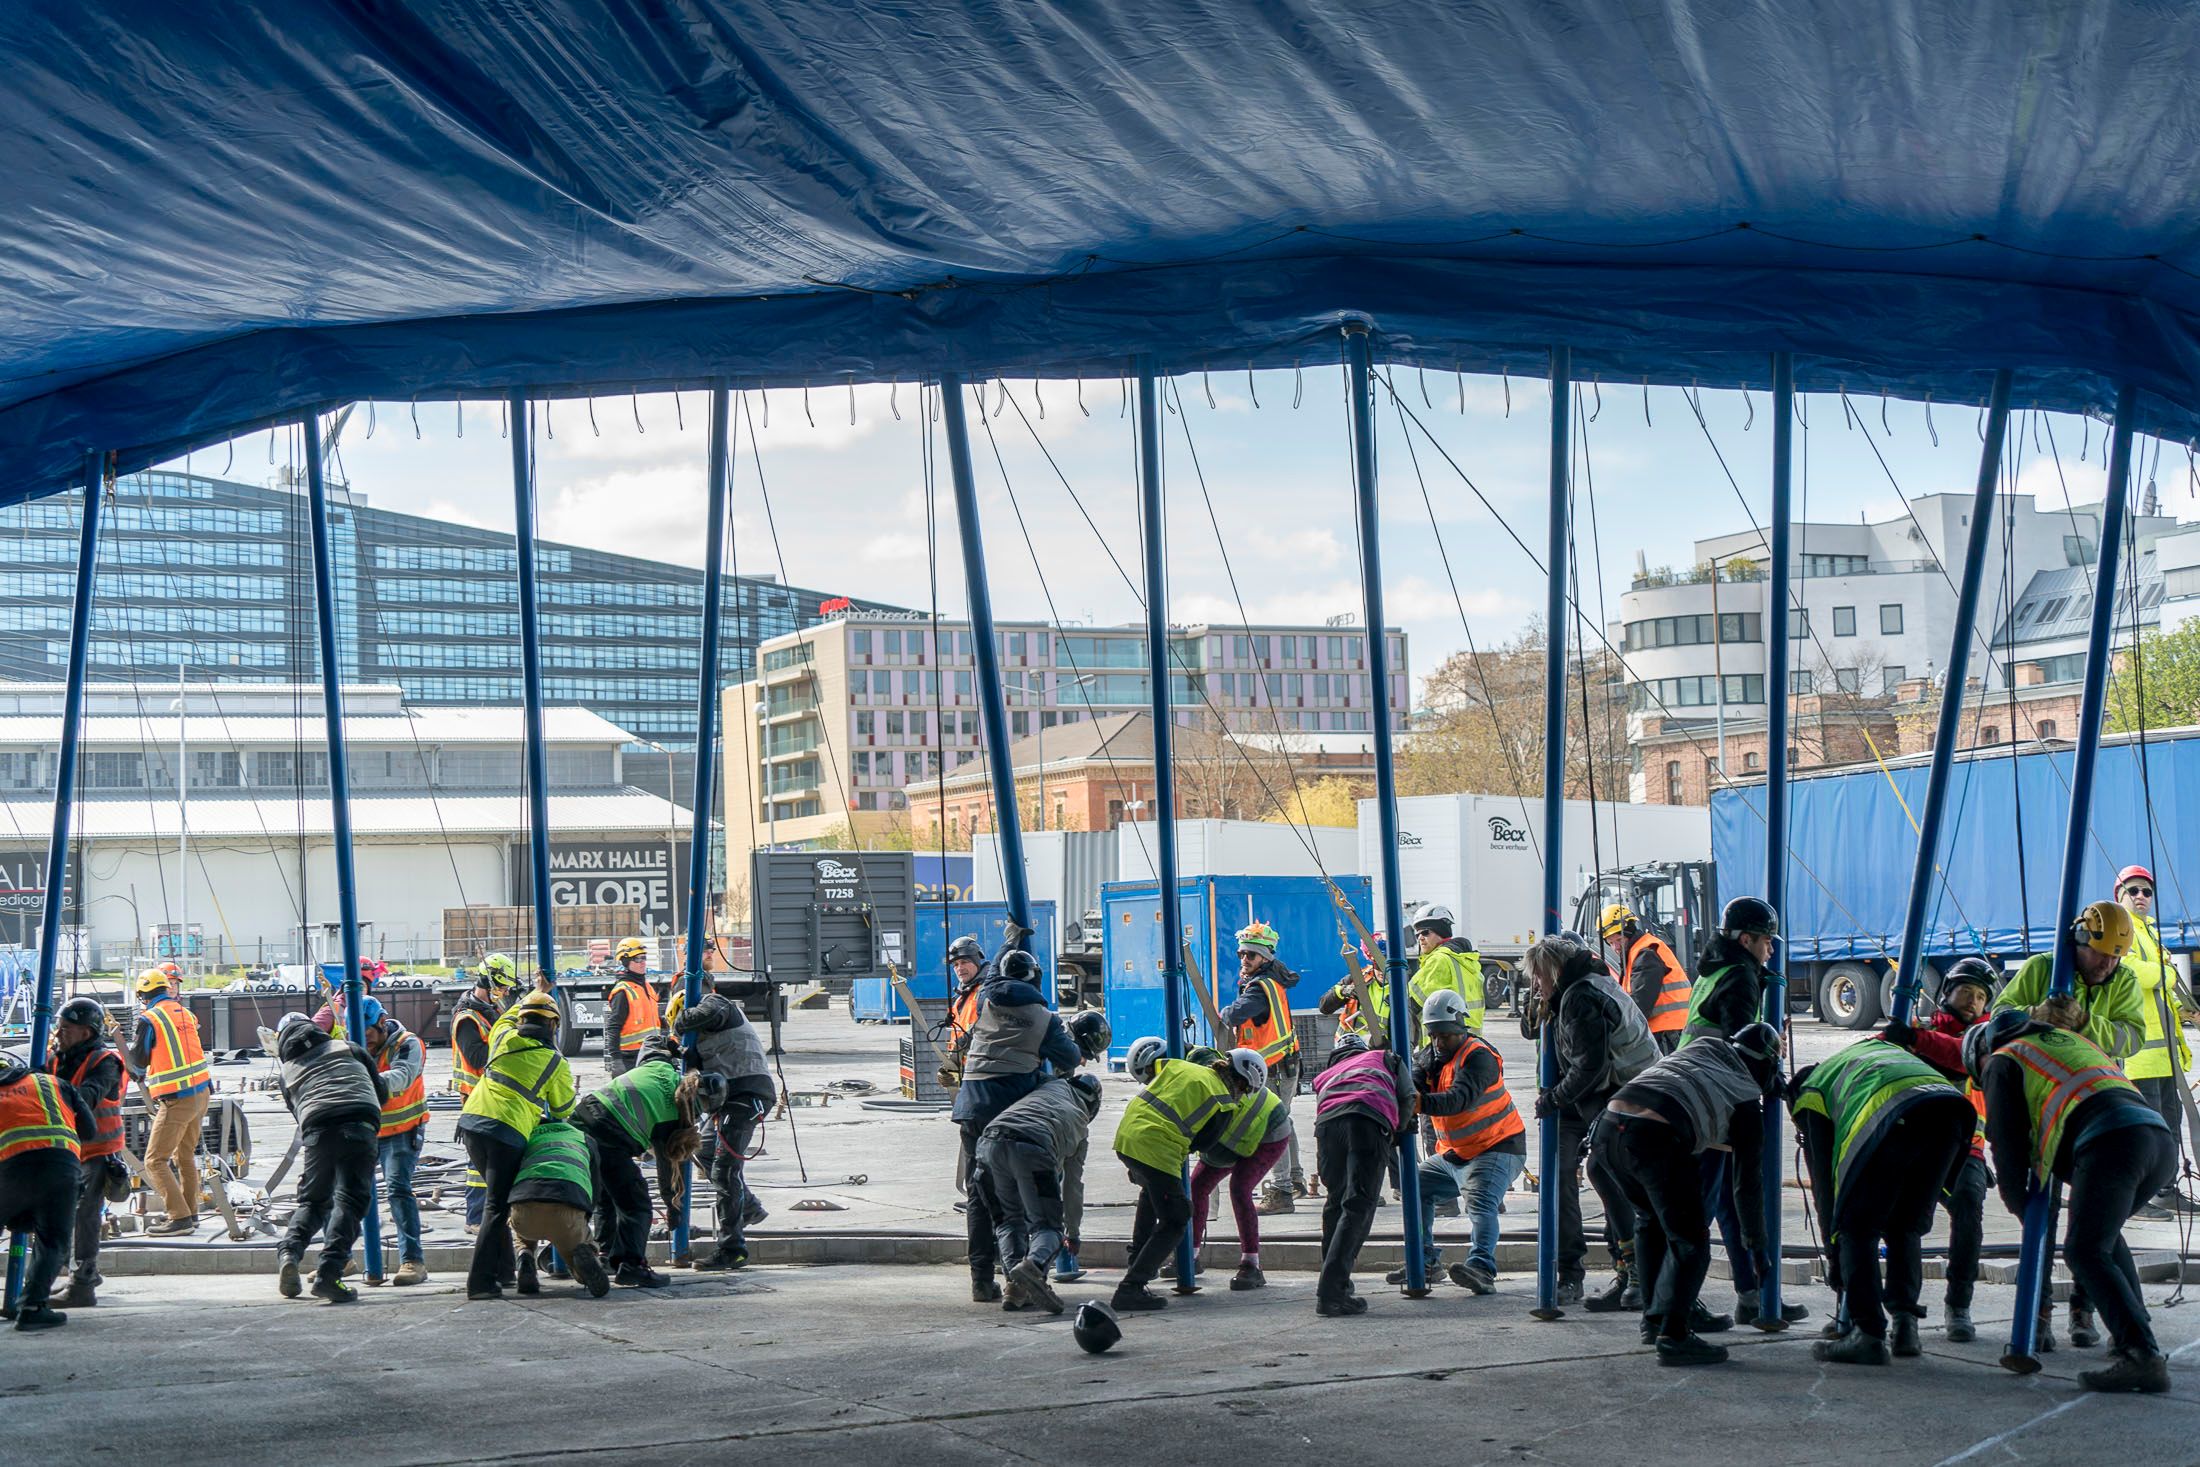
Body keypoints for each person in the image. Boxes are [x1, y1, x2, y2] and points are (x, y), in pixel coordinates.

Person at [1970, 1006, 2177, 1392]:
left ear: (1981, 1052)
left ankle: (2141, 1354)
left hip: (2112, 1140)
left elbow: (2007, 1144)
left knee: (2083, 1250)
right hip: (2157, 1141)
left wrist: (2024, 1210)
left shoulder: (2004, 1059)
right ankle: (2132, 1333)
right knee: (2103, 1238)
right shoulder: (2067, 1041)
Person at [1993, 898, 2151, 1348]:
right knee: (2040, 1213)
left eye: (2116, 955)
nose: (2107, 963)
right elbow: (2001, 1017)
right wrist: (2033, 1018)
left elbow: (2131, 1037)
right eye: (2100, 952)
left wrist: (2085, 1022)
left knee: (2096, 1225)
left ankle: (2085, 1312)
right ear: (2079, 940)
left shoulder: (2122, 980)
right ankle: (2037, 1311)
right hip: (2044, 1103)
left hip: (2090, 1105)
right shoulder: (2043, 968)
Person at [1591, 1022, 1781, 1366]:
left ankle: (1654, 1320)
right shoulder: (1745, 1096)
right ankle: (1674, 1335)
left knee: (1650, 1222)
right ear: (1765, 1065)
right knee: (1690, 1240)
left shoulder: (1703, 1048)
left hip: (1609, 1129)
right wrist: (1756, 1245)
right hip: (1655, 1135)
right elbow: (1747, 1186)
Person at [1790, 1036, 1975, 1365]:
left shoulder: (1811, 1095)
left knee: (1855, 1228)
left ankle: (1869, 1334)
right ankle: (1906, 1327)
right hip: (1950, 1113)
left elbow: (1826, 1190)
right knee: (1905, 1226)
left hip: (1895, 1115)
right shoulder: (1854, 1062)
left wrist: (1836, 1253)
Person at [1677, 897, 1803, 1328]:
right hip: (1713, 1098)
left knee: (1726, 1203)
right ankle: (1681, 1303)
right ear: (1746, 939)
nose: (1771, 950)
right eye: (1767, 942)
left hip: (1697, 1088)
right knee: (1710, 1203)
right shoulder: (1740, 979)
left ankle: (1753, 1294)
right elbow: (1743, 1050)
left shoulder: (1718, 970)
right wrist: (1777, 1084)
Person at [950, 931, 1082, 1303]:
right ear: (1036, 980)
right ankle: (1024, 1275)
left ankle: (981, 1280)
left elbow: (992, 972)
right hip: (1008, 1109)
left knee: (980, 1195)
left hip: (970, 1105)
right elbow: (1071, 1058)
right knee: (1021, 1200)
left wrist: (1009, 941)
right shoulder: (1044, 1019)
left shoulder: (987, 997)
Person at [1531, 934, 1659, 1309]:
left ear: (1554, 970)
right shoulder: (1569, 991)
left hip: (1614, 1095)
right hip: (1584, 1097)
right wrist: (1539, 1001)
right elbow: (1531, 1031)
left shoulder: (1582, 996)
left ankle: (1634, 1272)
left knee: (1609, 1177)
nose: (1535, 983)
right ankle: (1591, 1273)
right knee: (1567, 1182)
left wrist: (1552, 1098)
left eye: (1538, 976)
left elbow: (1591, 1065)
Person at [1883, 956, 1997, 1342]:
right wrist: (1899, 1036)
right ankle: (1903, 1314)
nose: (1973, 1000)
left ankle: (1958, 1304)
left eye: (1981, 996)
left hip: (1969, 1150)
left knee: (1968, 1206)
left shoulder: (1987, 1040)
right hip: (1919, 1143)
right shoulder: (1921, 1030)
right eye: (1966, 991)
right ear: (1946, 993)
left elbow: (1962, 1056)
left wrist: (1913, 1039)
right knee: (1901, 1217)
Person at [1393, 988, 1526, 1295]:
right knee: (1415, 1187)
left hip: (1497, 1147)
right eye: (1434, 1035)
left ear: (1461, 1028)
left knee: (1479, 1203)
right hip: (1455, 1154)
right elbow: (1414, 1080)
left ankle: (1482, 1268)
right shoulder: (1429, 1055)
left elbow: (1459, 1100)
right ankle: (1424, 1260)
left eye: (1446, 1036)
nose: (1439, 1043)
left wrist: (1417, 1102)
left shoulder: (1479, 1057)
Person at [1111, 1048, 1260, 1312]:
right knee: (1177, 1217)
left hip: (1127, 1136)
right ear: (1240, 1081)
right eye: (1245, 1089)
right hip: (1157, 1147)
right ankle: (1131, 1287)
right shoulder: (1223, 1102)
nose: (1242, 1096)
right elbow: (1205, 1144)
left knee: (1152, 1194)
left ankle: (1137, 1262)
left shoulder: (1181, 1066)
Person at [458, 991, 576, 1301]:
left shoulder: (503, 1036)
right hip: (505, 1131)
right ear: (553, 1026)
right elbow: (563, 1110)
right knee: (497, 1206)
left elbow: (508, 1016)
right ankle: (480, 1282)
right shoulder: (553, 1061)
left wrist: (533, 992)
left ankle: (503, 1272)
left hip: (471, 1121)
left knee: (496, 1201)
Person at [271, 1011, 385, 1304]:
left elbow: (298, 1111)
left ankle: (289, 1253)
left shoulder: (287, 1073)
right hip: (360, 1123)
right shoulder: (349, 1048)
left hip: (319, 1129)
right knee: (351, 1200)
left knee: (313, 1200)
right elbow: (380, 1092)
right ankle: (329, 1275)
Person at [575, 1042, 705, 1288]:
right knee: (637, 1204)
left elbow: (652, 1045)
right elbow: (667, 1170)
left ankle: (607, 1256)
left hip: (580, 1121)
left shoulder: (660, 1067)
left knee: (606, 1197)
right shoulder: (672, 1114)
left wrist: (676, 1047)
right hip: (608, 1138)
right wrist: (672, 1206)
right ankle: (633, 1266)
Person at [976, 1072, 1099, 1314]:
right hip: (1034, 1148)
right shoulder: (1080, 1122)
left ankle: (1015, 1287)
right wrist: (1072, 1233)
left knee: (1007, 1222)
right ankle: (1033, 1266)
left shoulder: (1050, 1087)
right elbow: (1072, 1187)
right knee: (1049, 1228)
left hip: (988, 1144)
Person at [1309, 1032, 1414, 1315]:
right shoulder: (1385, 1058)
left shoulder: (1327, 1074)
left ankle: (1334, 1282)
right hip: (1366, 1120)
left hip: (1328, 1129)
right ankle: (1332, 1292)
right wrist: (1399, 1129)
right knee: (1358, 1205)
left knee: (1335, 1202)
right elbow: (1409, 1096)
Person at [675, 990, 779, 1271]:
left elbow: (704, 1014)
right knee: (704, 1152)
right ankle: (748, 1207)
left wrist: (679, 1022)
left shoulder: (718, 1005)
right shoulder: (700, 1037)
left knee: (725, 1170)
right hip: (728, 1104)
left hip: (749, 1095)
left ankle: (732, 1249)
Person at [2116, 865, 2196, 1209]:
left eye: (2146, 892)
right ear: (2120, 895)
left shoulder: (2149, 932)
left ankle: (2165, 1189)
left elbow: (2161, 992)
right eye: (2133, 890)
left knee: (2169, 1124)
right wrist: (2164, 972)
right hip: (2140, 1056)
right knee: (2146, 1127)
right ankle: (2140, 1195)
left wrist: (2181, 1009)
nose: (2141, 897)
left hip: (2164, 1057)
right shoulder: (2119, 928)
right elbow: (2130, 971)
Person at [1216, 921, 1306, 1213]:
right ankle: (1293, 1179)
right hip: (1284, 1065)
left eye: (1250, 956)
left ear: (1265, 958)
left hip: (1274, 1068)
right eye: (1241, 954)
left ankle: (1280, 1192)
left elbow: (1234, 1015)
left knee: (1271, 1124)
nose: (1244, 960)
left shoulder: (1259, 988)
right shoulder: (1273, 980)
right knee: (1284, 1120)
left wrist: (1225, 1011)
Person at [0, 1055, 93, 1330]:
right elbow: (88, 1129)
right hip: (59, 1167)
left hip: (7, 1170)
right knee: (52, 1241)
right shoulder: (53, 1083)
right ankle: (32, 1308)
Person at [1190, 1048, 1294, 1290]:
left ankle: (1251, 1264)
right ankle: (1190, 1256)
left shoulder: (1221, 1093)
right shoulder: (1204, 1081)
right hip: (1234, 1138)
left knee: (1239, 1188)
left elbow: (1208, 1141)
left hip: (1271, 1132)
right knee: (1197, 1186)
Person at [45, 997, 125, 1309]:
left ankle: (82, 1283)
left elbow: (87, 1098)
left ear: (86, 1033)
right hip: (65, 1151)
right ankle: (62, 1276)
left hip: (96, 1152)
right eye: (58, 1027)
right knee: (59, 1215)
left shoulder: (104, 1062)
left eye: (66, 1029)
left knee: (85, 1216)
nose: (59, 1033)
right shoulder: (56, 1058)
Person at [126, 967, 211, 1236]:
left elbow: (138, 1062)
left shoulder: (149, 1018)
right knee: (184, 1155)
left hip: (177, 1098)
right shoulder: (184, 1012)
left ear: (142, 995)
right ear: (166, 988)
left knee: (154, 1161)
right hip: (201, 1093)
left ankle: (179, 1218)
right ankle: (190, 1211)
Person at [360, 998, 429, 1286]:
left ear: (381, 1023)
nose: (366, 1042)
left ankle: (412, 1260)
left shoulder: (407, 1044)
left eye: (369, 1035)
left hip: (403, 1130)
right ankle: (341, 1259)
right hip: (369, 1131)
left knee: (398, 1189)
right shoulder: (356, 1044)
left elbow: (402, 1076)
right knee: (347, 1192)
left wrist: (360, 1080)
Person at [509, 1117, 611, 1298]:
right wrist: (583, 1217)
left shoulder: (526, 1136)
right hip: (566, 1211)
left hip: (524, 1209)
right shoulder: (583, 1138)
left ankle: (525, 1256)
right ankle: (586, 1260)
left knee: (521, 1234)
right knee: (579, 1247)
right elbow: (596, 1185)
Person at [451, 954, 517, 1232]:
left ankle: (494, 1213)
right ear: (488, 982)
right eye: (501, 987)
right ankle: (476, 1218)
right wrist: (507, 1041)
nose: (504, 993)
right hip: (476, 1098)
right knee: (478, 1161)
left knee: (497, 1156)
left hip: (494, 1095)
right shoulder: (467, 1018)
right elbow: (477, 1058)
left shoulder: (490, 1011)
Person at [1602, 905, 1691, 1054]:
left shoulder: (1646, 954)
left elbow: (1640, 1003)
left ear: (1629, 933)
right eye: (1610, 943)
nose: (1616, 947)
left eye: (1619, 939)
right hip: (1667, 1031)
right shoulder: (1636, 953)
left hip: (1667, 1033)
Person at [1406, 903, 1486, 1034]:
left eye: (1425, 932)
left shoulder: (1439, 960)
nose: (1420, 938)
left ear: (1441, 932)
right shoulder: (1467, 958)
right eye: (1417, 934)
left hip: (1444, 1038)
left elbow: (1411, 1002)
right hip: (1469, 1036)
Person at [603, 937, 662, 1079]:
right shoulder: (623, 991)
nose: (643, 962)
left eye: (644, 958)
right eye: (637, 959)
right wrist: (616, 1060)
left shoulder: (647, 987)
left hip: (649, 1053)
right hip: (629, 1058)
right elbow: (613, 1027)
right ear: (625, 961)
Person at [1319, 935, 1394, 1044]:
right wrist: (1343, 992)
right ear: (1371, 961)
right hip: (1350, 1049)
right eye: (1378, 965)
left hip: (1381, 1054)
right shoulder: (1359, 977)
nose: (1382, 971)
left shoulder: (1401, 988)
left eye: (1387, 966)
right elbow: (1324, 1007)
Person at [938, 934, 987, 1088]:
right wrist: (950, 1068)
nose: (959, 968)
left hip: (983, 1072)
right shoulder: (961, 997)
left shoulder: (987, 992)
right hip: (967, 1071)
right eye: (956, 965)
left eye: (964, 962)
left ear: (977, 962)